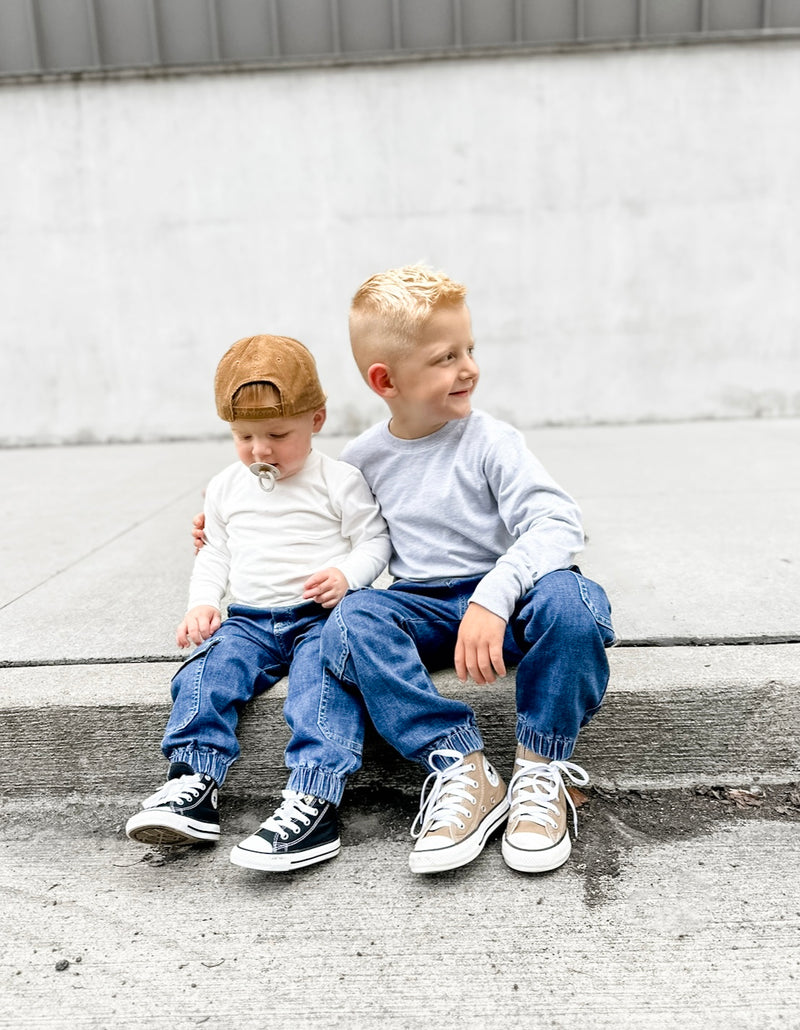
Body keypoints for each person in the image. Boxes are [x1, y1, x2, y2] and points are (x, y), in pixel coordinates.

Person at [316, 263, 616, 875]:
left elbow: (558, 523)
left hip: (511, 596)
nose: (470, 367)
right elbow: (321, 529)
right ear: (386, 379)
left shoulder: (491, 440)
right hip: (423, 605)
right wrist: (224, 533)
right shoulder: (362, 460)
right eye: (447, 356)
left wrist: (495, 594)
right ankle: (463, 767)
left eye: (470, 349)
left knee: (575, 605)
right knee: (351, 623)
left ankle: (539, 771)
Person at [126, 334, 390, 872]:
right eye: (243, 436)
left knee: (323, 686)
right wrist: (202, 602)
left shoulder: (338, 481)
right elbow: (216, 552)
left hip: (321, 618)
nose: (260, 450)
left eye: (277, 434)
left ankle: (314, 797)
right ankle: (193, 783)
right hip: (249, 619)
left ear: (316, 420)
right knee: (205, 672)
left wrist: (348, 574)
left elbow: (375, 540)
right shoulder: (226, 487)